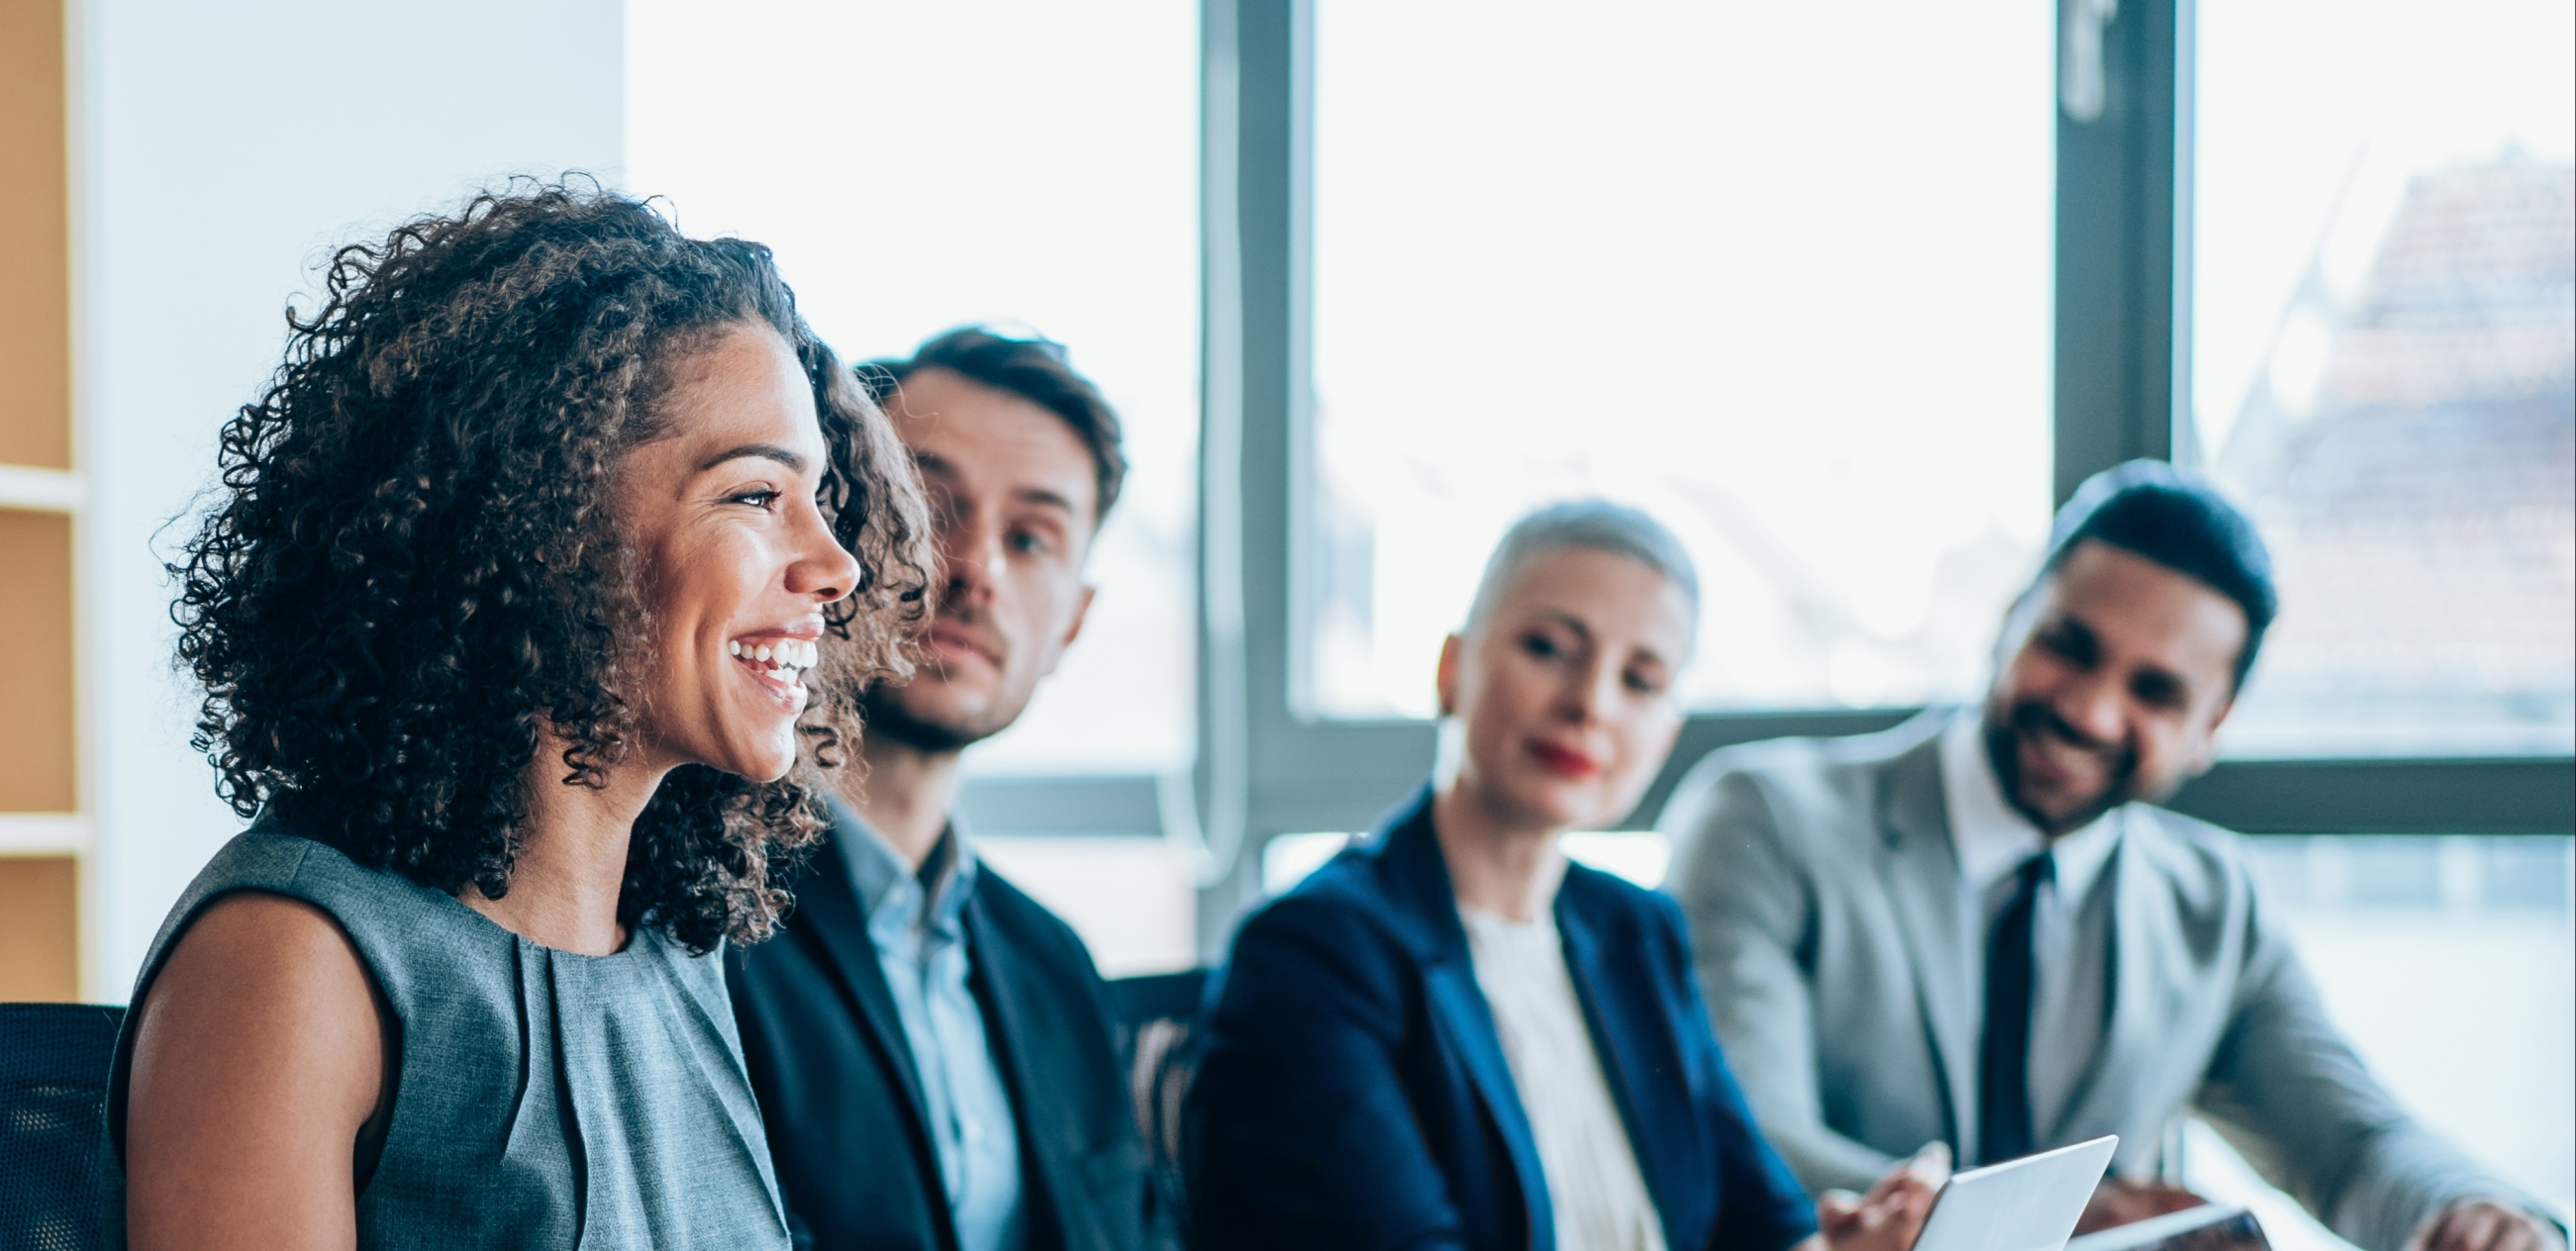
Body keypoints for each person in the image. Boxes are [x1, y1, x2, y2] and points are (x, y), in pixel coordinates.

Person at [114, 182, 930, 1251]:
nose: (835, 566)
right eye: (753, 496)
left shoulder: (675, 950)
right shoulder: (292, 961)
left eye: (820, 500)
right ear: (543, 520)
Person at [1662, 462, 2566, 1251]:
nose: (2091, 712)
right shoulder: (1765, 819)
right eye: (2069, 646)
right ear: (2011, 618)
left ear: (2210, 729)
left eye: (2156, 691)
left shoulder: (2213, 904)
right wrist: (2057, 1223)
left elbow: (2353, 1147)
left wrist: (2481, 1212)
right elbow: (1745, 1136)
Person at [1187, 502, 1934, 1251]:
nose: (1590, 704)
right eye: (1548, 648)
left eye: (1640, 681)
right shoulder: (1313, 953)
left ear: (1666, 732)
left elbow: (1760, 1219)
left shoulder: (1637, 931)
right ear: (1453, 669)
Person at [726, 328, 1166, 1251]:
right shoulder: (698, 909)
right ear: (833, 525)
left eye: (1033, 538)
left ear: (1073, 624)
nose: (975, 571)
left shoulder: (1056, 966)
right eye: (930, 504)